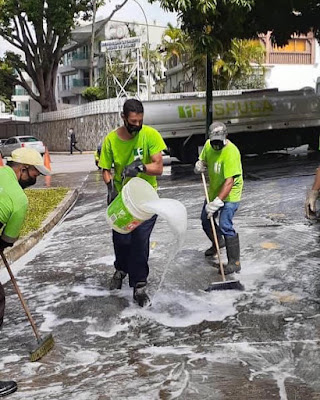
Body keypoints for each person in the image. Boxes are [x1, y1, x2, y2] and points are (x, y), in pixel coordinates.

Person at [99, 98, 167, 307]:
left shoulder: (150, 135)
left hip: (146, 200)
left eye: (140, 121)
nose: (136, 125)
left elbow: (159, 167)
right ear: (123, 118)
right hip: (122, 200)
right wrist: (110, 189)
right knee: (121, 239)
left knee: (139, 241)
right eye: (132, 121)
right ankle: (120, 269)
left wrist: (141, 168)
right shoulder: (111, 140)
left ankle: (139, 283)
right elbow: (105, 169)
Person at [0, 147, 51, 325]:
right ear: (22, 169)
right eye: (34, 175)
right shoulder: (20, 200)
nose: (34, 180)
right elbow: (7, 240)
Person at [194, 121, 243, 275]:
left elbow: (230, 182)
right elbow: (204, 161)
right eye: (213, 142)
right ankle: (218, 242)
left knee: (225, 223)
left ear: (225, 137)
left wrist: (217, 203)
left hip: (231, 193)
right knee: (205, 219)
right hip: (215, 190)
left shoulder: (231, 152)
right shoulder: (208, 145)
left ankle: (234, 262)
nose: (215, 145)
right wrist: (199, 165)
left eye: (218, 142)